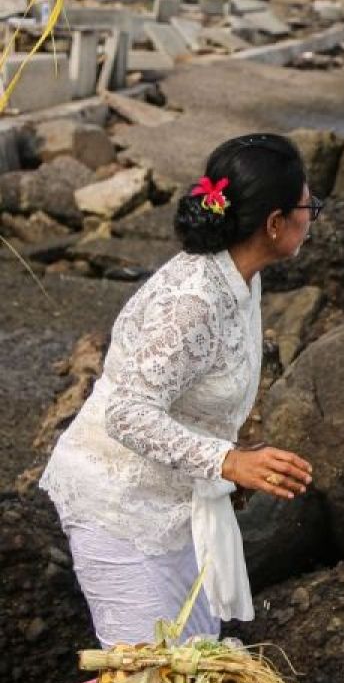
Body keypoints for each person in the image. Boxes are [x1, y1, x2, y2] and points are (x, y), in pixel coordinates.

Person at [39, 134, 318, 647]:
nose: (311, 218)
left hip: (174, 502)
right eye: (308, 206)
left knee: (197, 673)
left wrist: (235, 453)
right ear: (275, 223)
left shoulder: (242, 279)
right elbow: (126, 412)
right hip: (117, 505)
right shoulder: (193, 301)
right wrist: (227, 461)